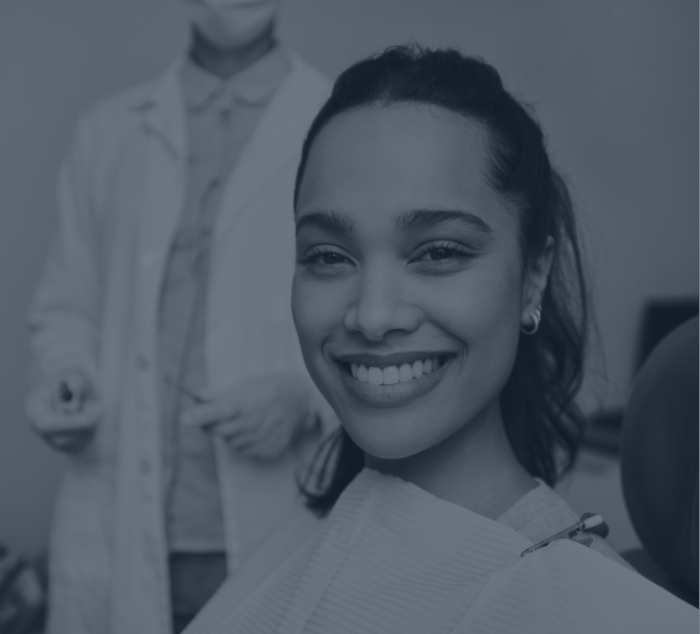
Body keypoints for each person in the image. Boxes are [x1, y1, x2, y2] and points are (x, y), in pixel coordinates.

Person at [185, 45, 698, 633]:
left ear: (533, 274)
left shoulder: (593, 610)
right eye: (329, 255)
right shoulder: (300, 537)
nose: (373, 317)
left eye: (439, 252)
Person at [24, 2, 335, 633]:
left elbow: (368, 310)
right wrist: (68, 376)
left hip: (268, 527)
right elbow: (67, 308)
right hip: (119, 530)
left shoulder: (336, 121)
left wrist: (308, 399)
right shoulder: (108, 130)